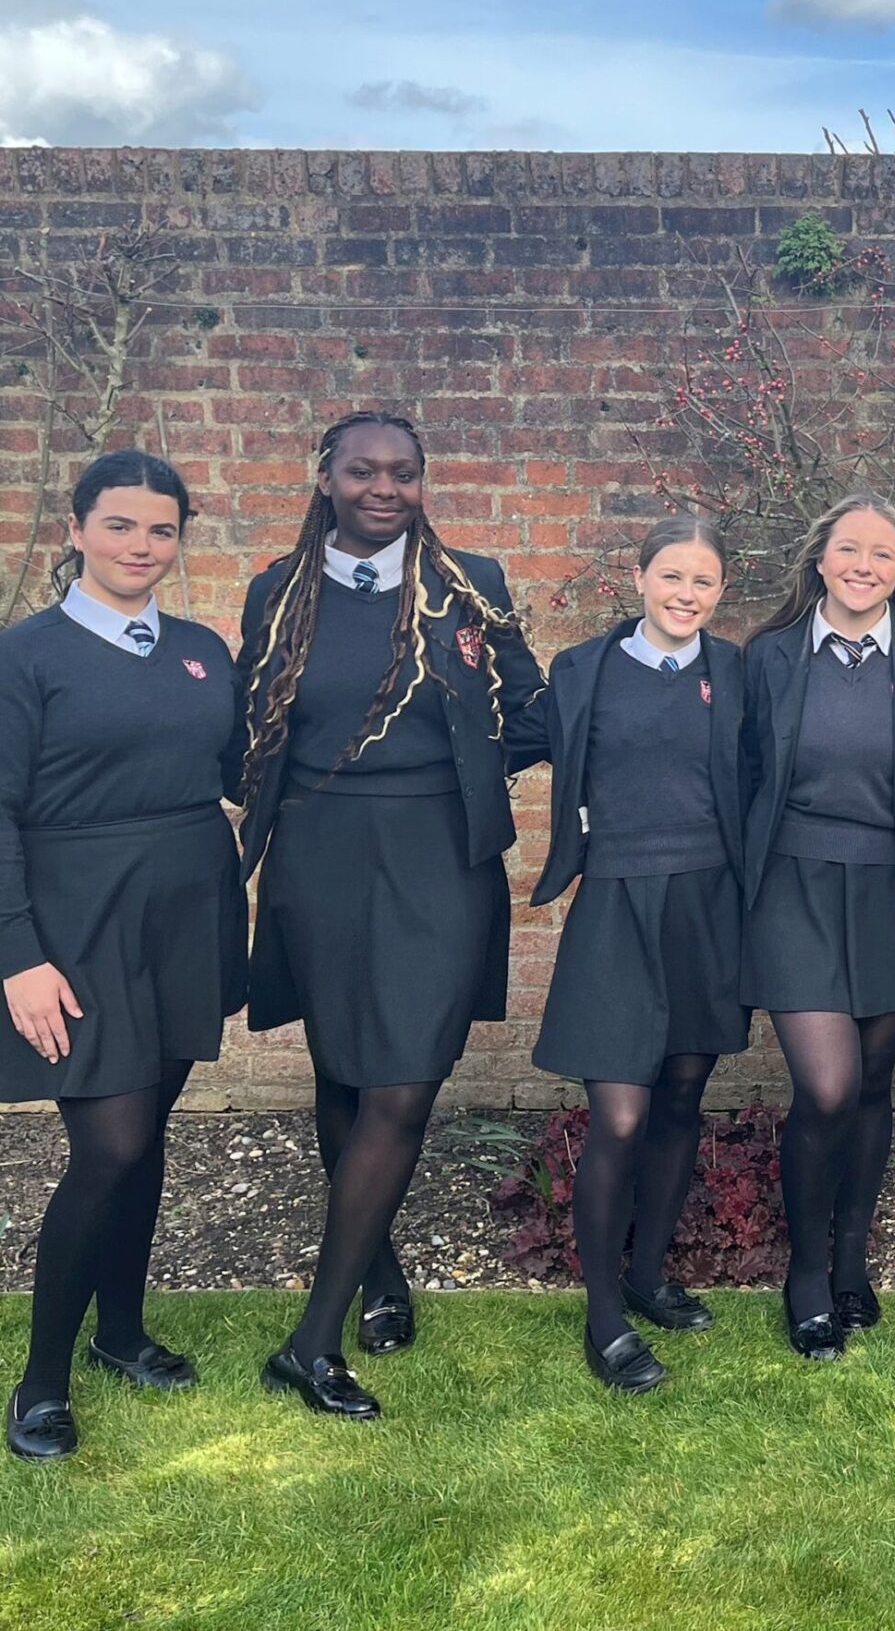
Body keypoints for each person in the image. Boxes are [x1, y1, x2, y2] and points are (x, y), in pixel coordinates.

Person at [231, 410, 544, 1420]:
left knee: (403, 1086)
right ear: (323, 477)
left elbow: (532, 712)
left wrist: (462, 777)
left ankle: (311, 1342)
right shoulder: (280, 593)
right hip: (318, 856)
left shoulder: (470, 586)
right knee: (343, 1070)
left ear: (422, 481)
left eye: (403, 472)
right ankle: (379, 1267)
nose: (383, 487)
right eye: (362, 470)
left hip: (438, 860)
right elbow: (247, 728)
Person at [1, 452, 246, 1462]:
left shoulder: (202, 649)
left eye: (160, 530)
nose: (141, 547)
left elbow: (240, 769)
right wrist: (18, 952)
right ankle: (41, 1381)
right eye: (120, 525)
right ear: (76, 528)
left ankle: (123, 1334)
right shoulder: (28, 654)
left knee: (146, 1135)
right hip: (77, 922)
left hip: (189, 906)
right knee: (106, 1146)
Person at [507, 515, 749, 1394]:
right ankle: (604, 1314)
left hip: (706, 903)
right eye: (672, 577)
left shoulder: (737, 674)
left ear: (722, 592)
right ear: (639, 578)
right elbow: (501, 738)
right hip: (615, 900)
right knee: (616, 1113)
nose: (687, 595)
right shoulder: (583, 672)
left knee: (683, 1092)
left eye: (705, 582)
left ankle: (649, 1274)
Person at [740, 494, 895, 1360]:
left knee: (872, 1083)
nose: (864, 566)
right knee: (826, 1088)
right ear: (819, 561)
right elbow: (741, 773)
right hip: (793, 883)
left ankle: (853, 1264)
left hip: (892, 890)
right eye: (848, 551)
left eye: (883, 555)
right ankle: (806, 1273)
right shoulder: (770, 658)